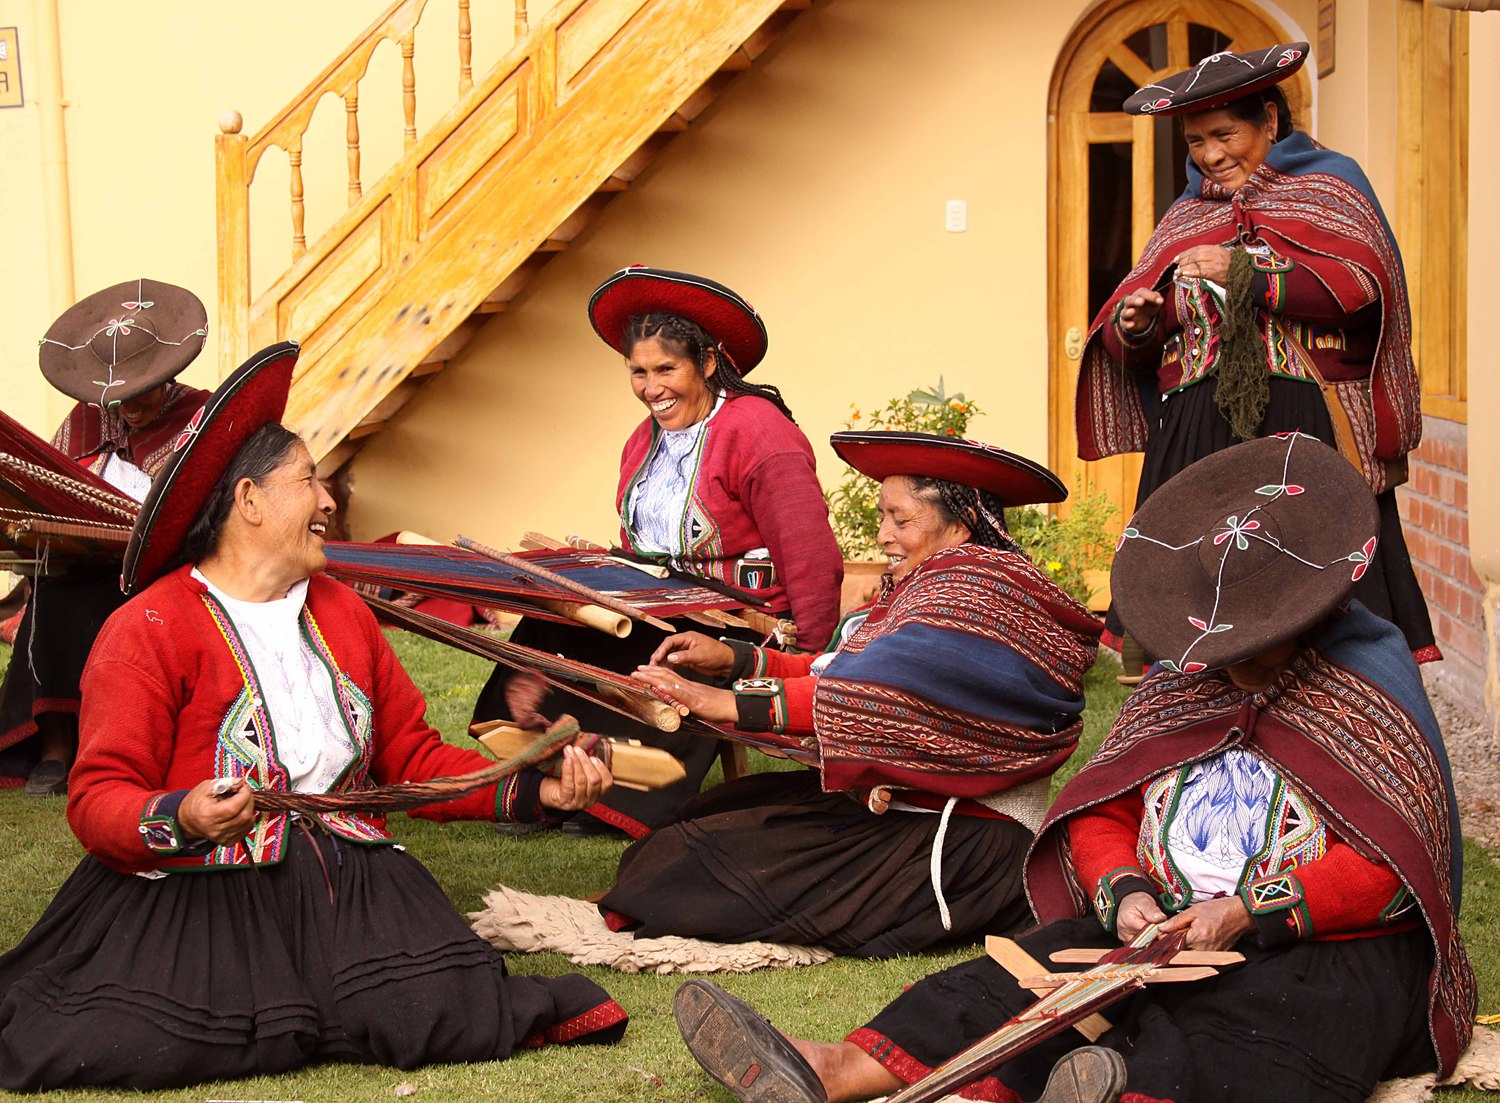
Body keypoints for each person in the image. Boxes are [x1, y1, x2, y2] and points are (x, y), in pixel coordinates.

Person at [670, 433, 1472, 1103]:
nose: (1229, 667)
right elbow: (1105, 808)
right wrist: (1124, 890)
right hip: (1165, 921)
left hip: (1327, 943)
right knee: (1019, 976)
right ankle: (830, 1068)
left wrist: (1249, 909)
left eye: (1252, 647)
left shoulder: (1366, 687)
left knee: (1253, 1020)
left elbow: (1396, 861)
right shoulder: (1188, 673)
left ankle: (1116, 1089)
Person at [0, 343, 627, 1091]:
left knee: (443, 1009)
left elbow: (413, 762)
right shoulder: (149, 628)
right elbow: (98, 794)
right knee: (134, 1039)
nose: (329, 502)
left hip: (348, 875)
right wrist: (185, 815)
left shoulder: (342, 613)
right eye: (309, 482)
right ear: (249, 500)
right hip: (200, 883)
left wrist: (535, 785)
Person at [591, 430, 1102, 957]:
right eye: (883, 517)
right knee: (707, 814)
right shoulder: (943, 583)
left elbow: (876, 690)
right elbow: (844, 671)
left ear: (960, 524)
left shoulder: (972, 593)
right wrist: (738, 660)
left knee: (688, 863)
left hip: (968, 844)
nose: (883, 535)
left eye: (900, 520)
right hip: (916, 810)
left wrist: (721, 702)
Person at [1074, 43, 1437, 663]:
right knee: (1197, 586)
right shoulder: (1185, 217)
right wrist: (1137, 325)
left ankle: (1337, 724)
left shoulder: (1330, 187)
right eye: (1194, 142)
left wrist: (1245, 270)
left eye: (1224, 134)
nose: (1211, 155)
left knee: (1315, 589)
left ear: (1270, 120)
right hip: (1194, 439)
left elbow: (1360, 289)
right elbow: (1132, 331)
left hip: (1306, 429)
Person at [473, 266, 843, 837]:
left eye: (666, 369)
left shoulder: (760, 434)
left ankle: (610, 794)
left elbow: (811, 552)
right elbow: (641, 543)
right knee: (557, 628)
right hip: (660, 601)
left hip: (737, 624)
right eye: (638, 372)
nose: (652, 387)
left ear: (709, 364)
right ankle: (545, 776)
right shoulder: (643, 439)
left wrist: (806, 666)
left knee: (655, 653)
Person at [0, 278, 211, 795]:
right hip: (86, 564)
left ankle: (120, 745)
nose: (129, 406)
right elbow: (53, 482)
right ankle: (55, 752)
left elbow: (211, 500)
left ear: (169, 374)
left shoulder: (201, 416)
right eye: (118, 396)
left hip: (168, 567)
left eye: (142, 391)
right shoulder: (85, 421)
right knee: (53, 594)